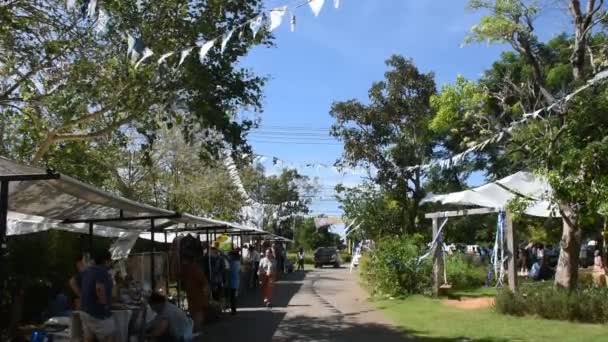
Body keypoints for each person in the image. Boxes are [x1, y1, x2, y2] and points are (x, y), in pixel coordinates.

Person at [80, 249, 116, 342]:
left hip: (85, 310)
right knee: (109, 336)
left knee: (89, 338)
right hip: (97, 312)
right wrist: (105, 305)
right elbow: (99, 289)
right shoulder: (102, 271)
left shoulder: (88, 270)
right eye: (110, 260)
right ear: (106, 260)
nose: (111, 262)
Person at [180, 254, 208, 332]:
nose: (182, 262)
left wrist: (205, 292)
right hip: (192, 294)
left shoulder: (194, 268)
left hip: (197, 294)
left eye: (184, 260)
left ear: (187, 260)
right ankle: (196, 328)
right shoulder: (188, 269)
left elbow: (204, 282)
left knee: (197, 312)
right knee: (194, 311)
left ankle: (197, 328)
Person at [227, 250, 241, 315]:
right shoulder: (237, 262)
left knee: (232, 297)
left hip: (233, 282)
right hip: (236, 282)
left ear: (232, 256)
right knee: (233, 296)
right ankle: (233, 309)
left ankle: (233, 310)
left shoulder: (233, 263)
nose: (229, 256)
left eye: (229, 255)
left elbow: (230, 271)